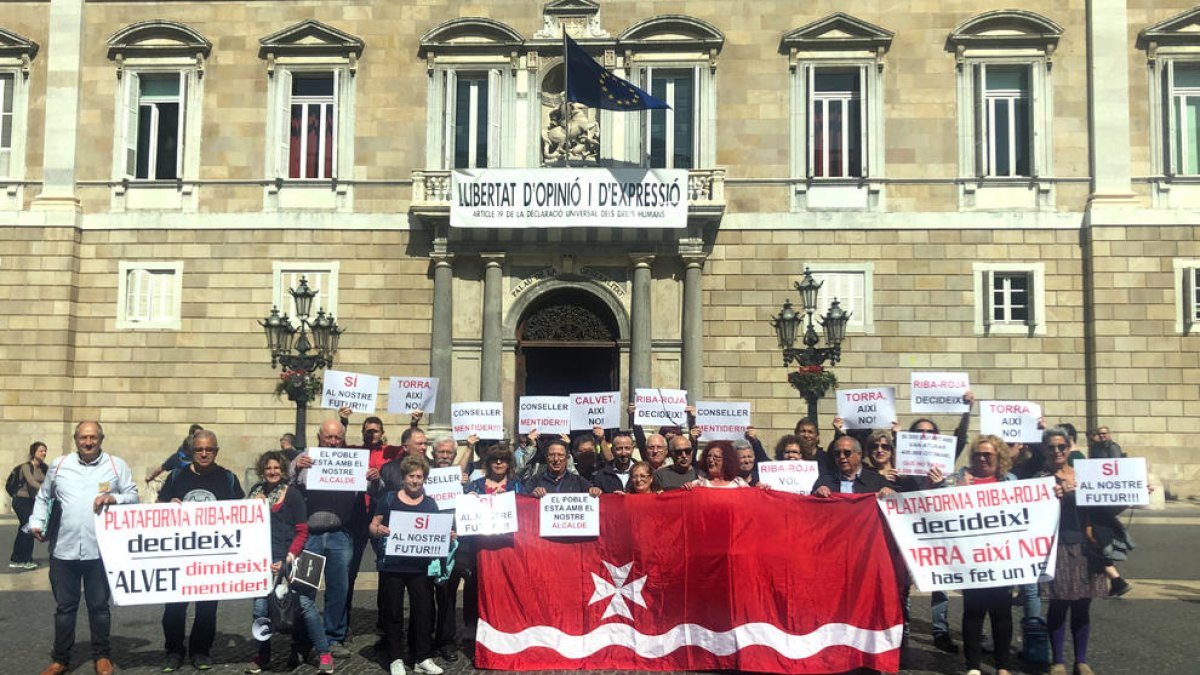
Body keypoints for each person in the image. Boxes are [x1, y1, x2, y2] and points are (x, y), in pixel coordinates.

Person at [30, 421, 138, 675]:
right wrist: (35, 522)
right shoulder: (59, 465)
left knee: (99, 607)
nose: (88, 442)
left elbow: (133, 496)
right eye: (83, 438)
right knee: (65, 608)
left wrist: (115, 498)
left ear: (101, 439)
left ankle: (102, 655)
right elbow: (44, 496)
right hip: (63, 550)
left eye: (93, 438)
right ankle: (61, 659)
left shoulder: (115, 465)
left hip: (100, 551)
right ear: (75, 439)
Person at [157, 429, 245, 672]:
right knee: (174, 607)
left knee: (207, 607)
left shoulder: (228, 478)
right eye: (199, 449)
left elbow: (243, 513)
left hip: (213, 555)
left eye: (209, 449)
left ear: (216, 451)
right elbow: (158, 507)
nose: (204, 453)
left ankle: (200, 651)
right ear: (191, 451)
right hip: (180, 553)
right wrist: (168, 505)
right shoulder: (176, 477)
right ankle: (173, 651)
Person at [245, 451, 334, 674]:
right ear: (262, 471)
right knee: (260, 609)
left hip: (293, 558)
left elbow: (302, 531)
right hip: (264, 563)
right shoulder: (254, 494)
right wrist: (253, 507)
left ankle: (324, 652)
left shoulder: (292, 494)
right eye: (268, 468)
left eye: (276, 468)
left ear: (283, 471)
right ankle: (262, 654)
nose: (272, 472)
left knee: (305, 605)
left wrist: (288, 558)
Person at [941, 435, 1017, 675]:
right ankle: (973, 666)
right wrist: (957, 493)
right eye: (978, 454)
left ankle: (1002, 665)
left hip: (1001, 557)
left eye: (988, 455)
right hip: (971, 558)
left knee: (1002, 613)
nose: (982, 458)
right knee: (972, 612)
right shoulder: (958, 479)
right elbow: (937, 506)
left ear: (999, 457)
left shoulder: (1010, 481)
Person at [1038, 427, 1108, 675]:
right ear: (1044, 450)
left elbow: (1106, 505)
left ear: (1069, 448)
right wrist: (1050, 497)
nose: (1057, 451)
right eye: (1051, 447)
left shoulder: (1084, 476)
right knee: (1057, 605)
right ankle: (1058, 660)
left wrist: (1137, 491)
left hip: (1085, 545)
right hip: (1054, 548)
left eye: (1061, 446)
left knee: (1082, 606)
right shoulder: (1039, 479)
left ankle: (1081, 660)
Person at [369, 455, 445, 675]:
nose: (415, 481)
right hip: (392, 566)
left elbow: (435, 531)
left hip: (420, 568)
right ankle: (396, 658)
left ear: (424, 479)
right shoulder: (389, 499)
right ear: (403, 478)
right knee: (392, 613)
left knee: (423, 612)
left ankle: (422, 657)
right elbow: (373, 526)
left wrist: (446, 534)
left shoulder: (430, 503)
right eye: (411, 476)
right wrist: (379, 530)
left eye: (419, 477)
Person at [291, 419, 360, 660]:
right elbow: (289, 484)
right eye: (328, 437)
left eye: (337, 438)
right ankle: (302, 640)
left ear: (343, 438)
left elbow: (374, 488)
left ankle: (334, 638)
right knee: (304, 590)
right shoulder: (305, 457)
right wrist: (297, 468)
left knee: (338, 588)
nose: (332, 442)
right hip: (310, 536)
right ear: (319, 437)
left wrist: (372, 478)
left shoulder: (351, 459)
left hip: (340, 534)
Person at [427, 436, 467, 663]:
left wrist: (465, 486)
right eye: (441, 452)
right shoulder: (424, 475)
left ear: (454, 455)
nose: (444, 456)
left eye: (449, 453)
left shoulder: (460, 479)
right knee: (423, 594)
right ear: (434, 454)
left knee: (447, 595)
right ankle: (424, 639)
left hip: (453, 542)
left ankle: (445, 641)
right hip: (426, 541)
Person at [9, 440, 47, 569]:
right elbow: (31, 482)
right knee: (30, 527)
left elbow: (49, 482)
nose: (44, 453)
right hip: (21, 500)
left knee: (23, 528)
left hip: (34, 501)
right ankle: (26, 559)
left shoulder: (44, 468)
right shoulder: (26, 467)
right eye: (41, 451)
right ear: (33, 453)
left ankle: (16, 557)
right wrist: (45, 490)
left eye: (45, 451)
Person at [812, 436, 893, 496]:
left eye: (847, 453)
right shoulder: (825, 481)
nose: (842, 457)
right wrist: (817, 494)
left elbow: (898, 505)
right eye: (837, 454)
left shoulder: (877, 481)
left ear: (859, 454)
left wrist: (890, 493)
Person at [527, 440, 602, 498]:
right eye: (551, 455)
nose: (556, 459)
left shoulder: (579, 482)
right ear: (546, 457)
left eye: (560, 455)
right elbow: (523, 503)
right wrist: (532, 496)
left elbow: (598, 501)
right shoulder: (534, 481)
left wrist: (596, 491)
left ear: (567, 458)